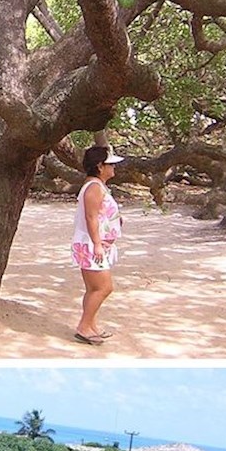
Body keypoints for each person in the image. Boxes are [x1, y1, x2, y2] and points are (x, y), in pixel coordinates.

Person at [71, 145, 124, 345]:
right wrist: (97, 244)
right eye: (110, 164)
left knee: (93, 288)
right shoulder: (93, 187)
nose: (114, 168)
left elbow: (100, 214)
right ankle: (84, 326)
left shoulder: (97, 185)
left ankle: (91, 325)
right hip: (91, 246)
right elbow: (91, 216)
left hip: (95, 245)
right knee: (104, 288)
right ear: (100, 166)